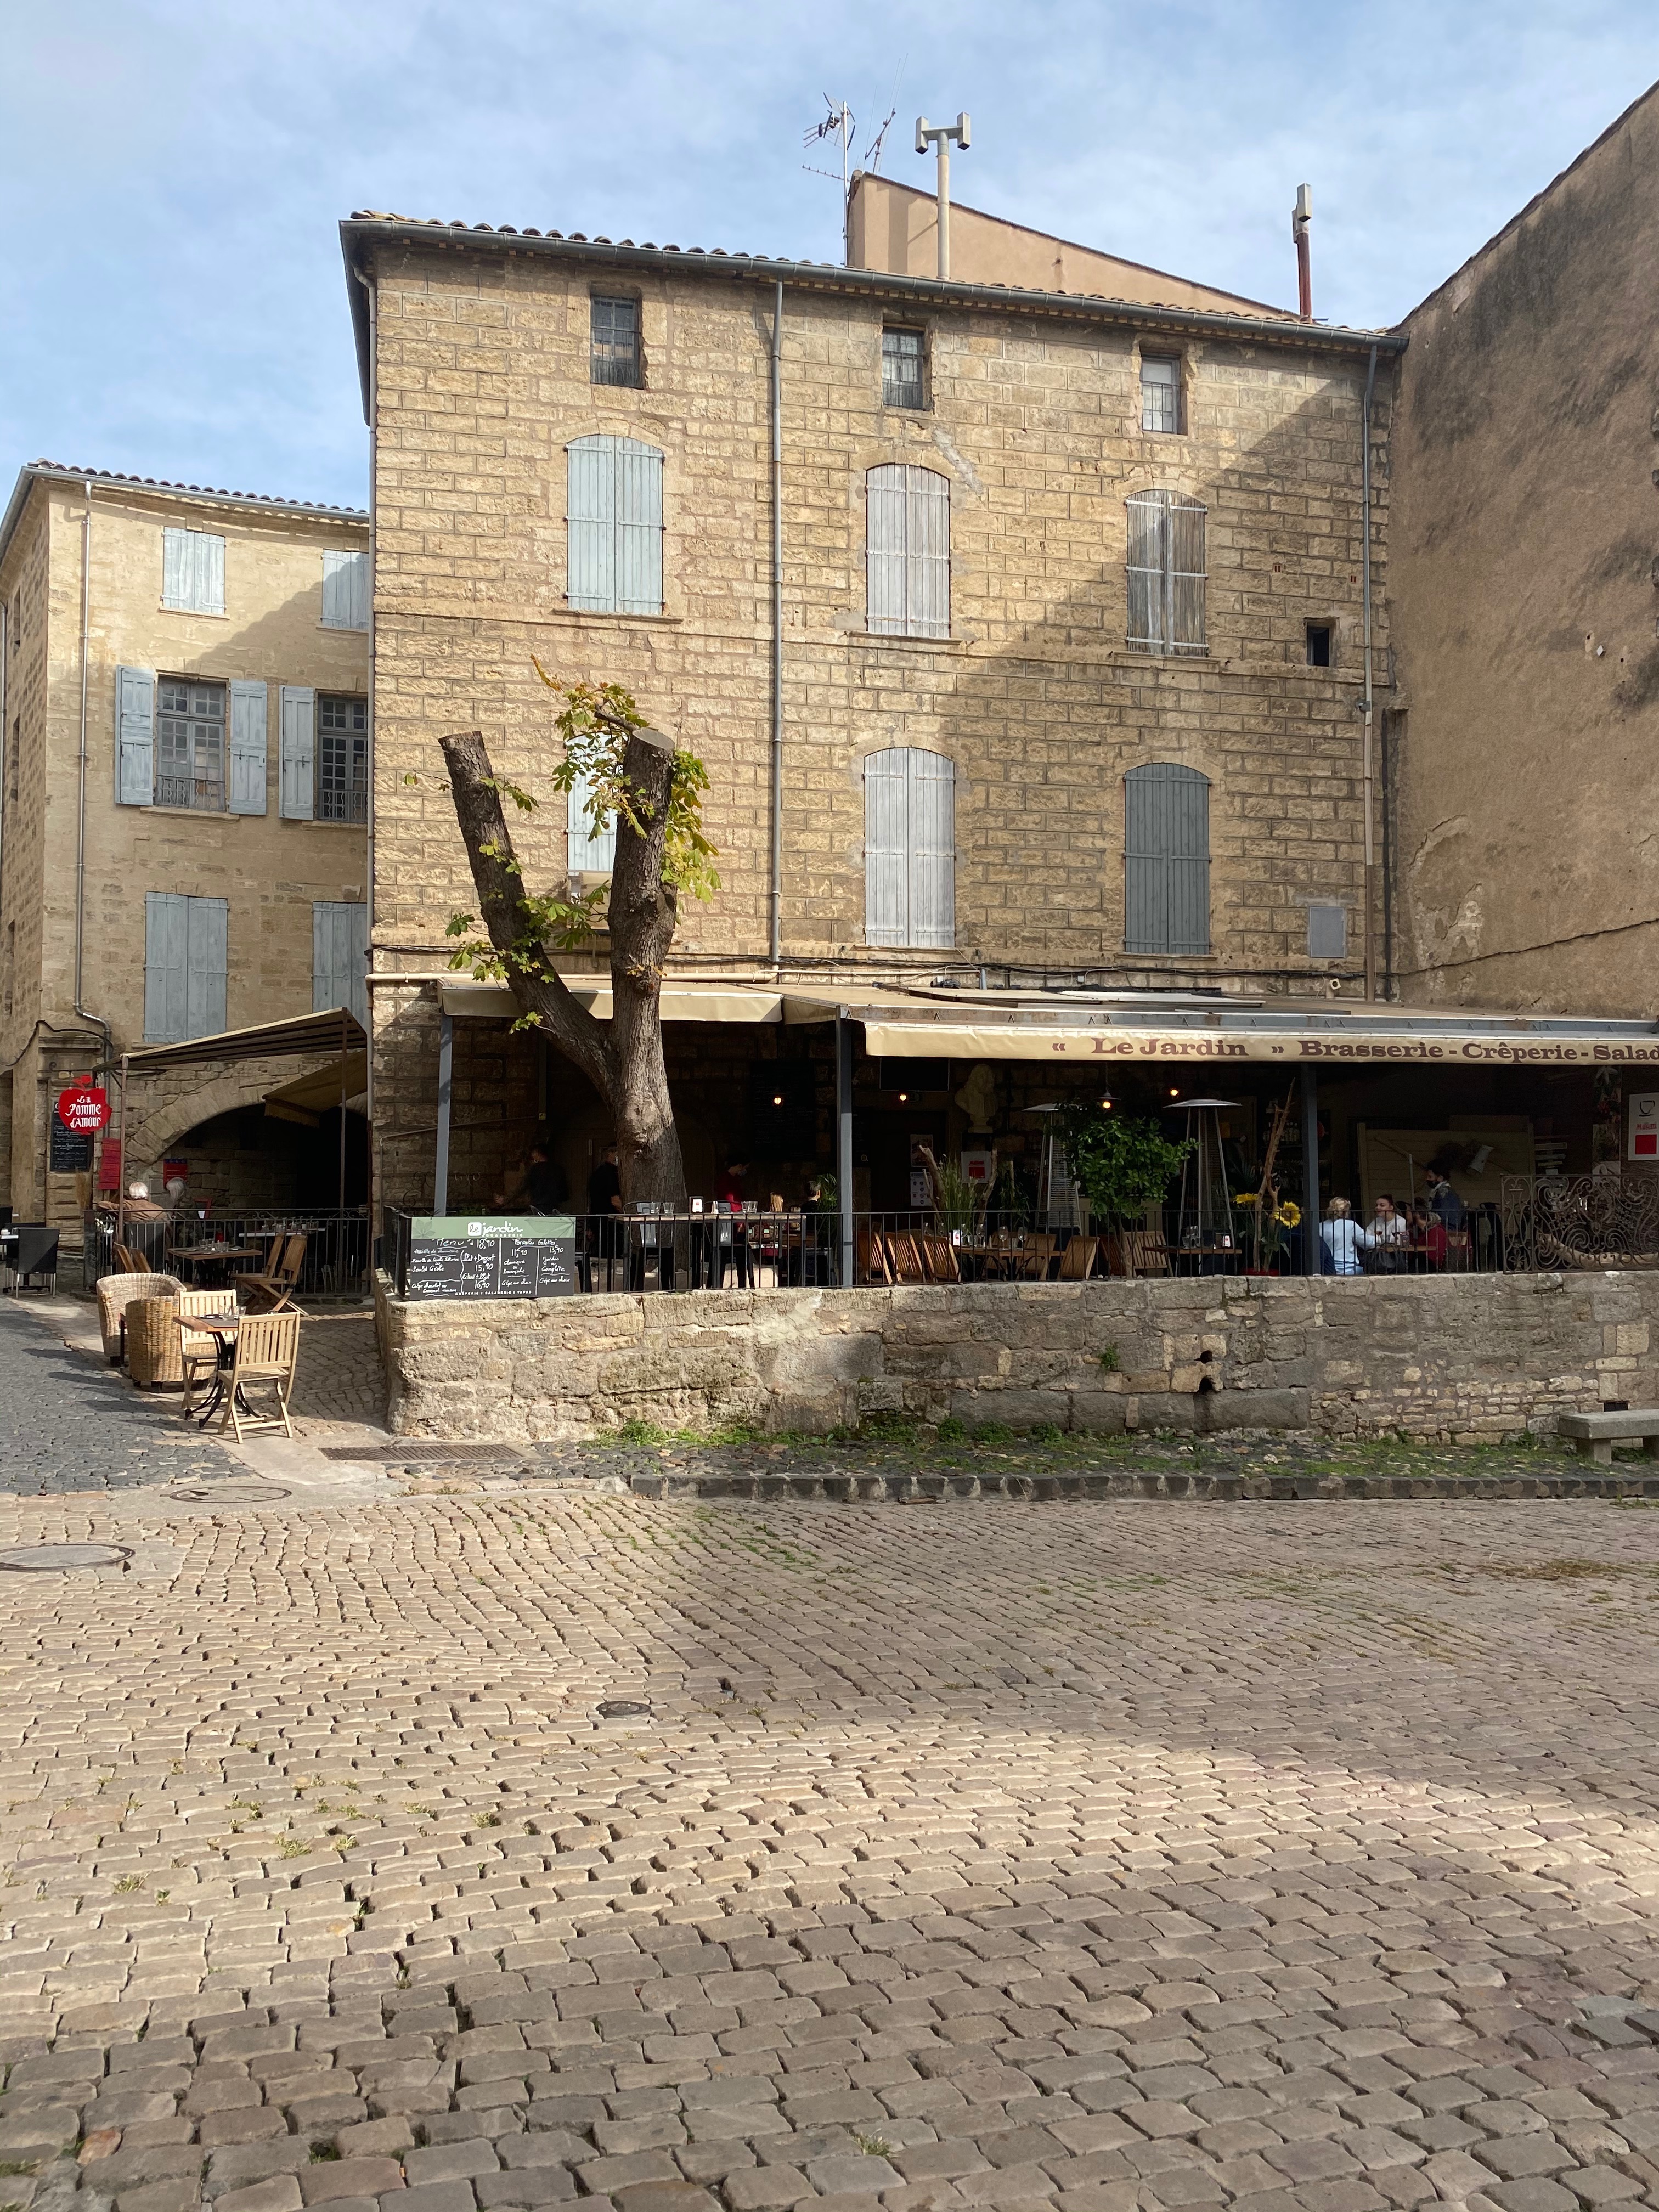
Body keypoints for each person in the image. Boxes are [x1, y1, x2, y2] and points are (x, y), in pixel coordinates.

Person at [1321, 1197, 1372, 1277]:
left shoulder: (1320, 1226)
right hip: (1347, 1269)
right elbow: (1367, 1243)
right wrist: (1380, 1239)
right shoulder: (1350, 1225)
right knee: (1370, 1271)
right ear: (1346, 1212)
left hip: (1327, 1269)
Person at [1367, 1192, 1408, 1273]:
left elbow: (1401, 1243)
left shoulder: (1401, 1222)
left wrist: (1376, 1240)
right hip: (1377, 1259)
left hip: (1394, 1259)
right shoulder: (1376, 1221)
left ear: (1391, 1207)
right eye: (1377, 1205)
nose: (1378, 1207)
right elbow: (1367, 1239)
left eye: (1382, 1205)